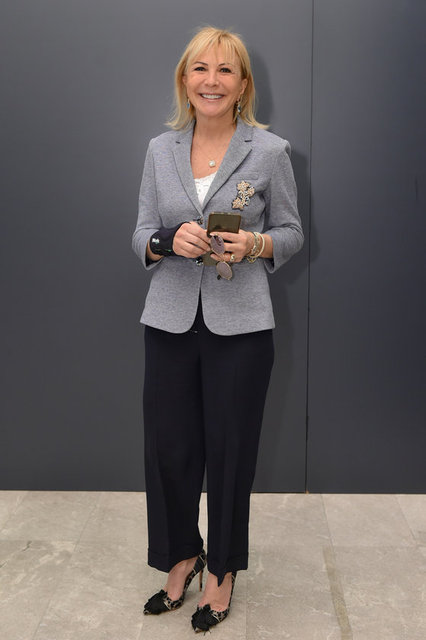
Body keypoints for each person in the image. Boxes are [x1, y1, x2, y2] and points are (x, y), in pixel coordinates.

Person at [132, 26, 303, 632]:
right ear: (185, 81)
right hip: (169, 321)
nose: (212, 80)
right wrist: (165, 240)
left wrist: (254, 243)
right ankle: (180, 556)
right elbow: (140, 233)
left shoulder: (271, 151)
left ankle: (223, 570)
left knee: (231, 453)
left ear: (243, 85)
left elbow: (291, 232)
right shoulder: (159, 150)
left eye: (225, 70)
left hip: (242, 326)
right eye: (200, 69)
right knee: (169, 450)